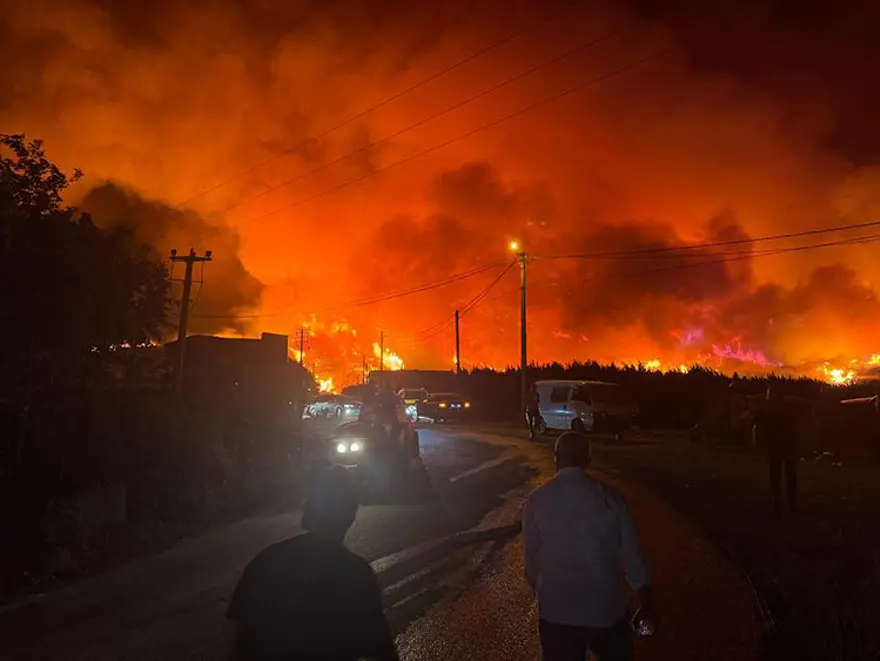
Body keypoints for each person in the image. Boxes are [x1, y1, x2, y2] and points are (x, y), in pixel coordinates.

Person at [226, 466, 399, 661]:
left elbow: (238, 636)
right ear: (350, 516)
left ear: (308, 511)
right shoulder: (356, 574)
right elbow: (381, 649)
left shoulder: (268, 560)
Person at [523, 432, 654, 661]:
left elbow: (531, 563)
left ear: (556, 458)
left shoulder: (537, 500)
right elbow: (633, 555)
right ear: (588, 459)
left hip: (557, 613)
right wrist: (647, 600)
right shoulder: (611, 498)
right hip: (605, 609)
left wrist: (546, 594)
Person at [753, 385, 799, 513]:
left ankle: (786, 501)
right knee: (780, 474)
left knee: (783, 474)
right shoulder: (769, 409)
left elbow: (755, 424)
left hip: (785, 445)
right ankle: (782, 501)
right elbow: (756, 425)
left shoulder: (775, 408)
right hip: (779, 445)